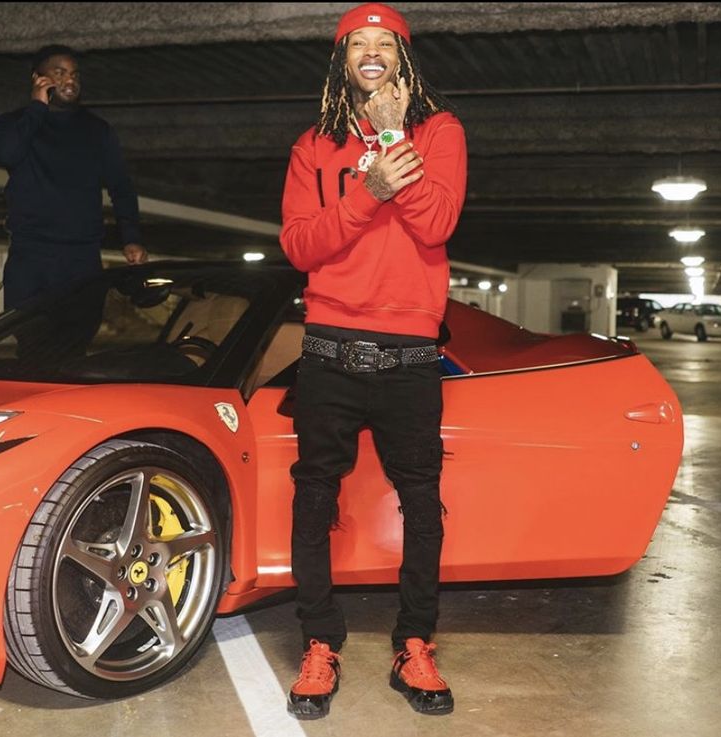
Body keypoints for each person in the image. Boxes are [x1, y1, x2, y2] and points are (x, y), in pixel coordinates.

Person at [280, 2, 467, 720]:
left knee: (421, 502)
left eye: (382, 41)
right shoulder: (312, 147)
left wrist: (393, 140)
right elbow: (300, 247)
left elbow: (437, 221)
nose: (369, 50)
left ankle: (413, 640)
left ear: (401, 56)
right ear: (340, 61)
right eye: (355, 41)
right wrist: (367, 192)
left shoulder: (438, 131)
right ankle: (319, 642)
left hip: (411, 356)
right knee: (313, 500)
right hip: (328, 347)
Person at [0, 44, 146, 311]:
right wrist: (38, 107)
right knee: (32, 342)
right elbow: (7, 155)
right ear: (38, 78)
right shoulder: (13, 123)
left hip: (82, 256)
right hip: (31, 254)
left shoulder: (97, 130)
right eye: (60, 73)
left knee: (77, 336)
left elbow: (121, 186)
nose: (70, 80)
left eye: (75, 74)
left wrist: (131, 237)